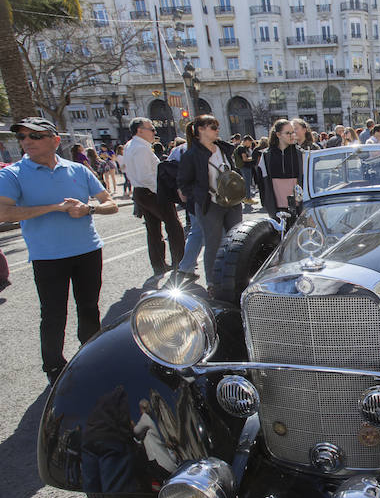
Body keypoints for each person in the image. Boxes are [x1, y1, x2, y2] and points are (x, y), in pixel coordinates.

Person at [0, 117, 118, 383]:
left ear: (54, 140)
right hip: (48, 256)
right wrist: (54, 207)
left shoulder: (78, 170)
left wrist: (88, 209)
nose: (27, 141)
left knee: (89, 308)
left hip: (88, 250)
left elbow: (110, 203)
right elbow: (3, 212)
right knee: (53, 314)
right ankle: (54, 367)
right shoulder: (12, 173)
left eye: (35, 136)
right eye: (22, 137)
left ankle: (90, 355)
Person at [177, 115, 242, 286]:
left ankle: (235, 277)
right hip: (210, 204)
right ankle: (213, 283)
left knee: (236, 240)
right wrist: (200, 193)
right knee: (213, 244)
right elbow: (183, 183)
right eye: (213, 127)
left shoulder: (224, 148)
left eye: (217, 127)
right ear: (201, 130)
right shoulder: (192, 154)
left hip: (232, 202)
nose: (217, 130)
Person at [123, 117, 185, 276]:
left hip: (141, 191)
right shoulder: (141, 148)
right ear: (140, 130)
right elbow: (147, 176)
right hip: (152, 191)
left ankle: (159, 264)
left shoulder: (131, 146)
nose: (154, 132)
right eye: (151, 129)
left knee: (153, 230)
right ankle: (181, 263)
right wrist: (164, 191)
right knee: (174, 226)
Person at [259, 119, 303, 219]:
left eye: (293, 132)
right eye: (288, 133)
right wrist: (266, 203)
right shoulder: (267, 155)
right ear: (278, 134)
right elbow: (262, 181)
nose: (292, 135)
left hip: (298, 206)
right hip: (276, 207)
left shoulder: (300, 154)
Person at [234, 135, 257, 205]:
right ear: (246, 141)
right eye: (250, 142)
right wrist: (253, 158)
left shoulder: (241, 148)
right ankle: (247, 198)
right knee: (247, 183)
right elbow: (245, 159)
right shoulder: (242, 148)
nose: (250, 144)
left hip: (243, 167)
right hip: (245, 167)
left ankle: (247, 198)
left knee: (246, 183)